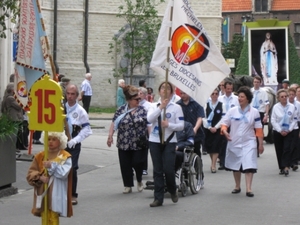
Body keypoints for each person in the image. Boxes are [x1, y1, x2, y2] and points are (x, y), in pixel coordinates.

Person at [221, 86, 264, 197]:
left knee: (249, 163)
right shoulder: (232, 111)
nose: (240, 99)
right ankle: (237, 185)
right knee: (236, 164)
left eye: (242, 97)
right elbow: (224, 123)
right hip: (234, 141)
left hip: (249, 142)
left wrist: (260, 144)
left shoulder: (254, 112)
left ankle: (249, 188)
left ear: (248, 99)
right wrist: (225, 131)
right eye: (239, 96)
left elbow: (259, 129)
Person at [147, 82, 184, 207]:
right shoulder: (153, 106)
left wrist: (169, 125)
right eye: (163, 88)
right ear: (159, 91)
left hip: (169, 141)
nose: (165, 90)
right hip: (155, 141)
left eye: (168, 88)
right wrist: (160, 108)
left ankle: (172, 189)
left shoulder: (176, 108)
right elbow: (149, 119)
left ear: (172, 92)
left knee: (168, 169)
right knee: (157, 170)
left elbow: (181, 126)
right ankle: (158, 198)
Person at [107, 85, 148, 194]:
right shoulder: (121, 110)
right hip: (123, 142)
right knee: (125, 164)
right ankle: (127, 185)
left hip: (138, 143)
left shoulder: (143, 110)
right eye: (136, 99)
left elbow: (149, 124)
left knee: (137, 162)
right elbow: (114, 123)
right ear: (129, 100)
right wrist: (110, 136)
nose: (139, 101)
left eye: (139, 99)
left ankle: (139, 180)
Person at [26, 131, 73, 218]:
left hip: (57, 194)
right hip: (43, 192)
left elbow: (64, 174)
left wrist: (52, 165)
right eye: (48, 139)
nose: (50, 141)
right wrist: (40, 177)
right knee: (44, 218)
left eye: (54, 139)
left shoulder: (64, 155)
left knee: (54, 217)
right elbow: (30, 173)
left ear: (61, 141)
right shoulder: (40, 156)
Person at [65, 84, 92, 205]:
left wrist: (75, 140)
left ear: (77, 96)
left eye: (72, 94)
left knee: (72, 168)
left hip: (73, 142)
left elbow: (87, 129)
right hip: (60, 142)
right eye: (68, 94)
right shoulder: (60, 108)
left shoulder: (81, 111)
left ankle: (72, 194)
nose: (70, 96)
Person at [271, 89, 298, 176]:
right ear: (278, 98)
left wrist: (289, 129)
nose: (284, 98)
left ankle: (286, 166)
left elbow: (294, 119)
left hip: (289, 131)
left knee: (287, 148)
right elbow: (273, 120)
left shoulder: (292, 106)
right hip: (278, 131)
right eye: (282, 97)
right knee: (279, 149)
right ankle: (281, 167)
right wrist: (280, 130)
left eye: (285, 96)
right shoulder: (276, 107)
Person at [217, 80, 239, 170]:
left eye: (231, 88)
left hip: (233, 123)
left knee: (232, 142)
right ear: (224, 88)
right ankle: (222, 162)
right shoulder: (220, 99)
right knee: (222, 143)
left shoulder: (236, 99)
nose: (229, 90)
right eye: (228, 88)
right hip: (223, 123)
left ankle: (232, 162)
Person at [177, 91, 205, 158]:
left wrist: (195, 129)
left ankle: (198, 166)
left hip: (195, 132)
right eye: (181, 93)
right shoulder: (177, 105)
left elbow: (200, 118)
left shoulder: (197, 103)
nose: (183, 95)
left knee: (196, 151)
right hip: (182, 133)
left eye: (184, 93)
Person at [203, 89, 225, 173]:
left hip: (217, 129)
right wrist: (209, 127)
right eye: (213, 94)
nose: (214, 95)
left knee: (216, 146)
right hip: (208, 129)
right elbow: (203, 117)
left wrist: (216, 127)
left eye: (216, 94)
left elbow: (223, 118)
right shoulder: (206, 105)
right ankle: (213, 161)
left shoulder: (221, 105)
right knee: (209, 147)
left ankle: (213, 165)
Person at [1, 83, 26, 150]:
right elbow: (19, 106)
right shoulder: (10, 98)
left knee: (18, 133)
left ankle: (18, 147)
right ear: (12, 90)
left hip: (14, 118)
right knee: (15, 134)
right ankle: (14, 148)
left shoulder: (7, 97)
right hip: (14, 118)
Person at [250, 76, 270, 156]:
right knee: (251, 131)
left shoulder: (263, 92)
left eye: (258, 82)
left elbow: (267, 104)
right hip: (251, 112)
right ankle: (252, 148)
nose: (256, 83)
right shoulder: (250, 91)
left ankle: (258, 148)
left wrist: (266, 115)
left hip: (260, 112)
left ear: (260, 83)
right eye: (255, 82)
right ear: (253, 82)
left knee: (259, 131)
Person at [138, 87, 152, 175]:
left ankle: (144, 167)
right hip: (136, 130)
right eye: (138, 93)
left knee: (144, 149)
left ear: (145, 95)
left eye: (141, 94)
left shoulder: (148, 105)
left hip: (145, 129)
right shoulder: (134, 104)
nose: (139, 95)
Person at [287, 88, 300, 171]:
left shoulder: (298, 104)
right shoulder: (285, 104)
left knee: (295, 144)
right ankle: (288, 161)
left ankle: (294, 162)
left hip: (297, 124)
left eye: (293, 94)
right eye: (290, 95)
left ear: (295, 95)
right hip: (287, 125)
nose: (291, 96)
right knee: (289, 144)